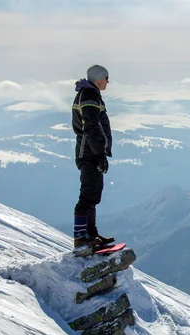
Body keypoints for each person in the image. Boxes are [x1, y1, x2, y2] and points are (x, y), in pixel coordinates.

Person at [72, 65, 115, 249]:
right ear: (99, 79)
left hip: (90, 152)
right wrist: (99, 155)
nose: (108, 82)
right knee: (88, 194)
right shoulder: (89, 96)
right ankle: (81, 238)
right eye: (107, 78)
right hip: (89, 152)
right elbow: (91, 126)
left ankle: (91, 234)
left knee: (93, 194)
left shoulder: (90, 94)